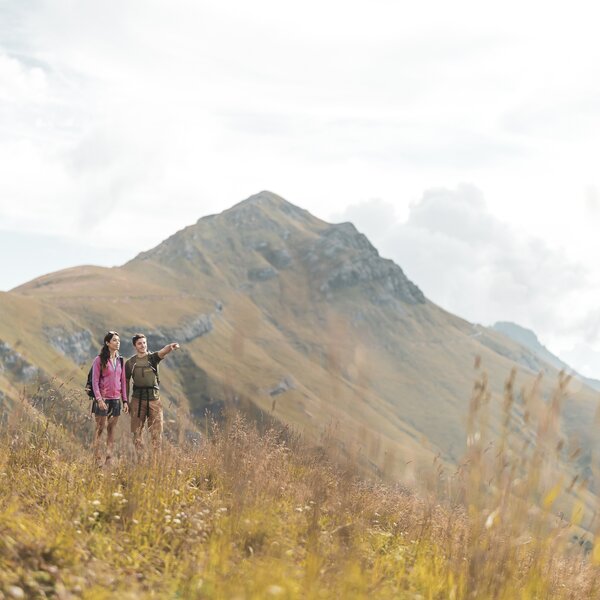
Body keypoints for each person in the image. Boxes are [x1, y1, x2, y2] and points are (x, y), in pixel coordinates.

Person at [125, 333, 180, 458]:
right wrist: (126, 400)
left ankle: (156, 463)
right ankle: (141, 460)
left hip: (154, 400)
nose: (143, 345)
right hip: (137, 401)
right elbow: (126, 382)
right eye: (140, 343)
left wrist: (170, 347)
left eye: (144, 342)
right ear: (135, 346)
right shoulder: (130, 363)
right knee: (136, 432)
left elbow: (162, 352)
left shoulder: (153, 358)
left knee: (156, 433)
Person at [91, 331, 129, 465]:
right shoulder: (99, 360)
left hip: (116, 400)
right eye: (114, 340)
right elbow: (94, 381)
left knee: (111, 430)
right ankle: (96, 458)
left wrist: (124, 400)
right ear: (107, 343)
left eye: (118, 340)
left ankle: (109, 458)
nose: (117, 342)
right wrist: (99, 400)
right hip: (103, 399)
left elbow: (123, 381)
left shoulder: (120, 360)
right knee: (100, 429)